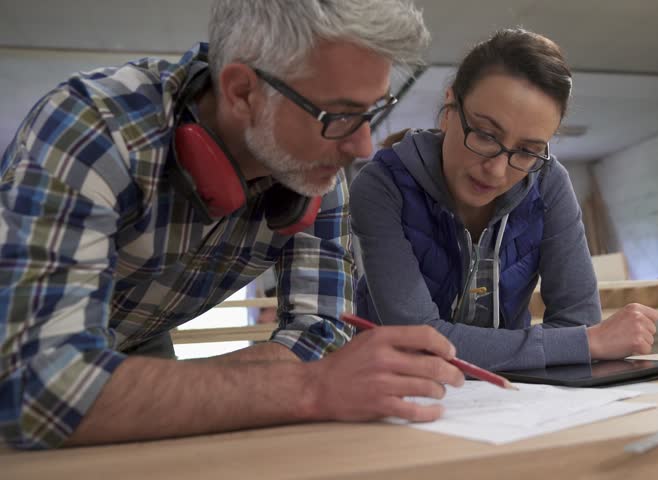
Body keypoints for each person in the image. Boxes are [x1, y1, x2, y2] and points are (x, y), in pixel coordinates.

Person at [0, 0, 464, 450]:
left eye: (371, 112)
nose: (363, 147)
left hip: (135, 341)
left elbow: (320, 334)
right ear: (242, 91)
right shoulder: (96, 131)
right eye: (339, 115)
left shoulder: (312, 167)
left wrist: (134, 391)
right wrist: (307, 388)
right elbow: (38, 388)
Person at [350, 28, 658, 371]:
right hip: (392, 387)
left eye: (528, 151)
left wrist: (576, 341)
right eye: (484, 134)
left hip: (510, 396)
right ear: (450, 108)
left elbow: (577, 321)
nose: (497, 171)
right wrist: (581, 343)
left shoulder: (548, 182)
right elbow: (417, 341)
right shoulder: (383, 184)